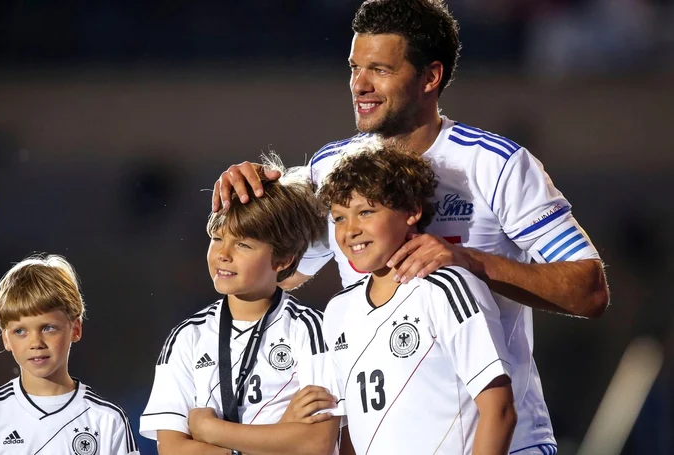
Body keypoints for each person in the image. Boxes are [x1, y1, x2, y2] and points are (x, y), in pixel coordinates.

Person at [213, 0, 610, 452]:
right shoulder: (330, 168)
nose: (359, 85)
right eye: (354, 68)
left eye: (379, 69)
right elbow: (280, 276)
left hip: (505, 442)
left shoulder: (495, 164)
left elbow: (590, 290)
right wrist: (250, 207)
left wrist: (468, 261)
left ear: (430, 76)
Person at [319, 143, 518, 454]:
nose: (351, 230)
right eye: (339, 218)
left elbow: (500, 410)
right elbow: (349, 432)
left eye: (366, 212)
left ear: (412, 211)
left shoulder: (446, 288)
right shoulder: (337, 310)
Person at [139, 157, 340, 455]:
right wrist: (281, 434)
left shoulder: (310, 329)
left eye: (243, 244)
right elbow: (172, 448)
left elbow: (316, 443)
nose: (223, 254)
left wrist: (210, 430)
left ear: (283, 259)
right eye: (217, 238)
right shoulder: (187, 337)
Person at [0, 254, 139, 454]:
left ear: (75, 329)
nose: (36, 343)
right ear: (6, 338)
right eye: (20, 331)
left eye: (48, 328)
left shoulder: (108, 420)